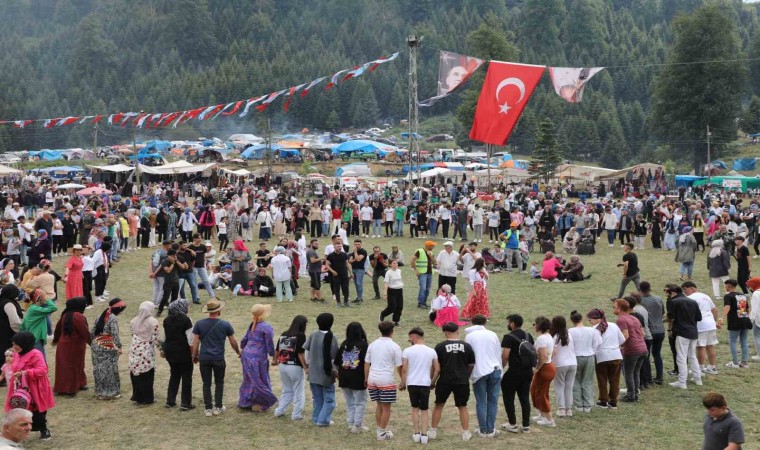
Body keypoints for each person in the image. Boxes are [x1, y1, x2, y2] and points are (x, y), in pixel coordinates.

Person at [192, 299, 240, 417]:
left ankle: (208, 408)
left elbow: (196, 341)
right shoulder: (225, 324)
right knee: (219, 382)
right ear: (219, 311)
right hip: (218, 357)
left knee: (206, 383)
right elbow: (233, 341)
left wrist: (194, 355)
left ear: (208, 311)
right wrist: (238, 352)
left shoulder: (199, 324)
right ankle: (218, 406)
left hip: (204, 358)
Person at [429, 322, 475, 442]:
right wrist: (466, 375)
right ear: (457, 331)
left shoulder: (439, 347)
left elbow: (435, 367)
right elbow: (471, 364)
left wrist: (432, 381)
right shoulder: (467, 346)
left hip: (444, 380)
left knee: (439, 405)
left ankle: (433, 431)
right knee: (462, 406)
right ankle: (465, 433)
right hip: (462, 381)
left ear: (445, 332)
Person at [5, 332, 54, 440]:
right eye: (13, 344)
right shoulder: (18, 353)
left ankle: (44, 430)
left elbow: (42, 370)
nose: (14, 347)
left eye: (16, 344)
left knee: (36, 410)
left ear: (24, 343)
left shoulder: (36, 354)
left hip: (35, 387)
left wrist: (25, 373)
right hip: (20, 386)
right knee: (19, 409)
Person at [464, 315, 501, 437]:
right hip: (495, 369)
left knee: (481, 402)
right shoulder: (493, 334)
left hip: (479, 372)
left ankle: (483, 429)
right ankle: (491, 429)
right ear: (485, 323)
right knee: (493, 401)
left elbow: (468, 355)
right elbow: (498, 353)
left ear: (472, 322)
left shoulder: (469, 336)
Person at [365, 321, 402, 441]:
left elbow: (367, 363)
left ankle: (379, 429)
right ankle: (381, 433)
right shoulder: (395, 346)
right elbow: (399, 366)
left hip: (372, 378)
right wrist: (403, 380)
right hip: (385, 379)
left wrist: (366, 378)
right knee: (386, 407)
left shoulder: (372, 345)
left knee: (379, 405)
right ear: (392, 331)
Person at [400, 327, 439, 444]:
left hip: (412, 383)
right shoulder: (431, 351)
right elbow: (437, 369)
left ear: (413, 337)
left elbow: (404, 370)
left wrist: (402, 382)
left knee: (415, 408)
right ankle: (424, 434)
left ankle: (416, 433)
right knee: (425, 409)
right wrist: (432, 381)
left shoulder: (407, 351)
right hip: (425, 383)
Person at [499, 314, 535, 434]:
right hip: (528, 371)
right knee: (524, 397)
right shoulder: (528, 335)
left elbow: (505, 356)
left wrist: (501, 368)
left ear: (513, 323)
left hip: (514, 372)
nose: (508, 324)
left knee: (508, 397)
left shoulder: (508, 337)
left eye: (508, 322)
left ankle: (512, 424)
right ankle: (526, 426)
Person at [238, 304, 277, 412]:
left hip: (247, 355)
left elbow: (244, 339)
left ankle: (246, 401)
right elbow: (269, 344)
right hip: (258, 357)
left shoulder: (252, 324)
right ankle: (264, 400)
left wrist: (243, 349)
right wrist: (273, 355)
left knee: (249, 379)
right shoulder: (266, 327)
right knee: (260, 379)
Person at [304, 312, 338, 427]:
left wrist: (308, 365)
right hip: (326, 373)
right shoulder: (332, 337)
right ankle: (323, 420)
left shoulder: (313, 334)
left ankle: (316, 418)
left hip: (313, 372)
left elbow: (306, 351)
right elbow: (334, 358)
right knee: (329, 399)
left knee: (317, 398)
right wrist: (335, 372)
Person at [334, 321, 369, 433]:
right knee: (360, 402)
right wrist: (366, 378)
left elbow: (337, 361)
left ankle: (351, 423)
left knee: (350, 402)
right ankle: (357, 425)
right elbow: (366, 363)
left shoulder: (344, 344)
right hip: (358, 377)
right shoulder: (363, 345)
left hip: (344, 376)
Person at [162, 298, 195, 410]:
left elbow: (164, 338)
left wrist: (163, 350)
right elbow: (190, 339)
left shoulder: (166, 320)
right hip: (183, 351)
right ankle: (186, 403)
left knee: (174, 375)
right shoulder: (186, 320)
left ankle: (170, 401)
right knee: (186, 376)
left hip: (170, 351)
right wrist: (194, 353)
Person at [588, 308, 624, 409]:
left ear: (597, 319)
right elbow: (622, 339)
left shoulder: (593, 329)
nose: (590, 322)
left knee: (602, 379)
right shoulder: (614, 325)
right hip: (616, 356)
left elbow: (593, 345)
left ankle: (603, 400)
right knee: (615, 380)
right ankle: (613, 401)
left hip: (601, 357)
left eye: (590, 319)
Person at [668, 285, 703, 389]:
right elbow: (699, 317)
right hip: (693, 331)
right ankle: (698, 379)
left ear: (674, 293)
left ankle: (682, 382)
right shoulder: (693, 301)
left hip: (682, 332)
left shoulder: (674, 302)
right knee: (692, 355)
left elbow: (671, 317)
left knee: (681, 357)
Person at [52, 297, 89, 395]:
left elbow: (58, 329)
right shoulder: (78, 316)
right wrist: (92, 342)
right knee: (75, 365)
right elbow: (84, 331)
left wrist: (56, 340)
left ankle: (63, 387)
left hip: (63, 345)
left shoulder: (65, 315)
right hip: (75, 345)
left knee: (63, 366)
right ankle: (70, 389)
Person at [274, 315, 308, 421]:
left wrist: (275, 360)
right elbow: (300, 353)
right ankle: (296, 414)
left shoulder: (285, 333)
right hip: (294, 366)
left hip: (283, 364)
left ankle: (279, 410)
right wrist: (305, 366)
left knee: (287, 390)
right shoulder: (301, 335)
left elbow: (278, 349)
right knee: (299, 391)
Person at [613, 299, 647, 403]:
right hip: (643, 348)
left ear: (619, 309)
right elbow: (643, 333)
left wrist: (618, 345)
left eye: (614, 307)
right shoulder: (634, 318)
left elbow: (626, 335)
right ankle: (635, 393)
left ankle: (631, 396)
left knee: (628, 373)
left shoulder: (621, 320)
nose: (613, 309)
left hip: (632, 350)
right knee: (635, 372)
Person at [91, 298, 126, 400]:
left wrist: (94, 342)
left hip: (96, 344)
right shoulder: (113, 318)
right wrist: (119, 346)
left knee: (98, 368)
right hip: (107, 345)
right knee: (110, 369)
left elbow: (92, 331)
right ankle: (111, 392)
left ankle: (100, 392)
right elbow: (115, 334)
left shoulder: (100, 316)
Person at [683, 281, 719, 375]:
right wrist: (714, 321)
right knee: (710, 346)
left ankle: (701, 368)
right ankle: (712, 367)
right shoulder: (705, 296)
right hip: (710, 323)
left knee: (701, 346)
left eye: (685, 290)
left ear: (690, 288)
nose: (684, 293)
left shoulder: (690, 298)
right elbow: (714, 309)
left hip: (700, 324)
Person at [568, 310, 600, 413]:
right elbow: (598, 343)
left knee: (576, 380)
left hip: (576, 357)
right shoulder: (592, 330)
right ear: (582, 319)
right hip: (589, 356)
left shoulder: (570, 331)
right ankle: (587, 404)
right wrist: (592, 351)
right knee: (588, 380)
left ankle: (578, 404)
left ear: (572, 320)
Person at [129, 301, 159, 406]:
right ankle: (147, 398)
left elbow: (132, 334)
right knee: (147, 374)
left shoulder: (133, 321)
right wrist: (162, 350)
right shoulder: (153, 322)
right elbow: (155, 339)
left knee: (135, 373)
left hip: (134, 350)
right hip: (146, 352)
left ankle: (137, 396)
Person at [549, 315, 577, 417]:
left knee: (559, 386)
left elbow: (553, 352)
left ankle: (561, 409)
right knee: (569, 387)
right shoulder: (569, 335)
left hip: (560, 364)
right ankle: (569, 410)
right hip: (572, 363)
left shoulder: (555, 337)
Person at [640, 281, 666, 384]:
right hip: (660, 330)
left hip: (649, 331)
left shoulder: (641, 301)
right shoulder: (658, 299)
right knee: (657, 354)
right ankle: (659, 377)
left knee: (646, 355)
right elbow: (663, 312)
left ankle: (648, 377)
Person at [722, 279, 752, 368]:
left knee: (733, 342)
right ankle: (744, 362)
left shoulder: (728, 296)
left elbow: (727, 307)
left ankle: (735, 362)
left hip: (735, 321)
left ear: (728, 286)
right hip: (745, 320)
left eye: (725, 285)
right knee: (744, 342)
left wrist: (722, 318)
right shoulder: (743, 295)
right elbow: (747, 309)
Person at [20, 289, 57, 358]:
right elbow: (54, 308)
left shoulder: (33, 308)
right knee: (40, 362)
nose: (46, 298)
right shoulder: (35, 309)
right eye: (44, 296)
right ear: (39, 299)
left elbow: (23, 325)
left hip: (33, 338)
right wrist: (47, 299)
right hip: (36, 339)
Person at [410, 241, 436, 309]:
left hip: (430, 273)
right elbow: (412, 260)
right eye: (432, 246)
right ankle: (420, 303)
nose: (433, 247)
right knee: (423, 288)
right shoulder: (419, 251)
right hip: (422, 273)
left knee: (427, 289)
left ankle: (424, 302)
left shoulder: (431, 253)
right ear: (428, 246)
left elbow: (434, 262)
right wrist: (416, 270)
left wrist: (431, 256)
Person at [325, 242, 351, 307]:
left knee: (346, 288)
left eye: (340, 247)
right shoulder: (330, 256)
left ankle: (346, 302)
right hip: (336, 275)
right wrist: (332, 271)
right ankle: (338, 302)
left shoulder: (344, 254)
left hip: (344, 274)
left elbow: (347, 263)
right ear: (334, 247)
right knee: (337, 289)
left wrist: (351, 272)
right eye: (338, 247)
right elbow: (327, 265)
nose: (339, 248)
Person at [381, 259, 404, 326]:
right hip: (392, 291)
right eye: (394, 263)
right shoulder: (388, 272)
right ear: (390, 264)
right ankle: (382, 314)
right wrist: (385, 294)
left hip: (399, 290)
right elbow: (386, 283)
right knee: (392, 307)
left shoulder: (399, 271)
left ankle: (395, 321)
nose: (395, 265)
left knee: (399, 306)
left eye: (396, 263)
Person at [349, 240, 367, 304]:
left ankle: (360, 298)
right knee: (356, 284)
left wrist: (355, 252)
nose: (357, 245)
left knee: (359, 283)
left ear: (361, 244)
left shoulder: (363, 251)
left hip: (360, 270)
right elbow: (350, 260)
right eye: (355, 244)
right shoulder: (353, 251)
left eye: (358, 244)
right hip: (353, 269)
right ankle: (358, 297)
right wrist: (354, 258)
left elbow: (358, 259)